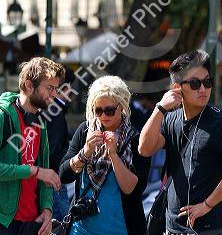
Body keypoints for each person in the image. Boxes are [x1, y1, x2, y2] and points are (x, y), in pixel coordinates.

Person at [139, 50, 222, 235]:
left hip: (207, 227)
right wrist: (159, 109)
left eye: (207, 82)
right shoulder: (170, 119)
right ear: (177, 88)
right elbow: (144, 149)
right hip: (172, 227)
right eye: (195, 83)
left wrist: (207, 204)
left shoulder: (221, 123)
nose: (203, 89)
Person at [59, 75, 151, 235]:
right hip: (81, 229)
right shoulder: (85, 131)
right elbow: (64, 175)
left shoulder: (135, 139)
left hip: (122, 228)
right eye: (98, 110)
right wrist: (85, 152)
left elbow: (134, 190)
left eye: (109, 110)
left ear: (121, 106)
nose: (103, 116)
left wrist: (114, 155)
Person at [0, 57, 64, 235]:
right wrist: (33, 171)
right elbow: (39, 171)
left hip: (32, 223)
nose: (54, 94)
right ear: (29, 85)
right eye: (49, 88)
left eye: (56, 88)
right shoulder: (2, 116)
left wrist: (47, 209)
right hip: (5, 223)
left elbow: (45, 173)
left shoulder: (40, 122)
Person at [46, 66, 76, 221]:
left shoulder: (51, 109)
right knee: (60, 221)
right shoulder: (54, 111)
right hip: (54, 177)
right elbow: (54, 148)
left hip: (50, 176)